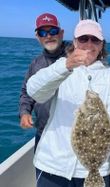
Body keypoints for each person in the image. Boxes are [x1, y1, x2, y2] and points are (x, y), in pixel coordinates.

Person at [26, 19, 110, 187]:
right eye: (83, 39)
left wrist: (102, 119)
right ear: (74, 42)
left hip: (95, 169)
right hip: (53, 165)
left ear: (101, 44)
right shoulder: (60, 67)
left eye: (94, 40)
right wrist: (66, 66)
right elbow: (34, 91)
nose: (89, 44)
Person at [19, 13, 70, 150]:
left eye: (53, 31)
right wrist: (25, 112)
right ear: (37, 37)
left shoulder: (76, 57)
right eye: (43, 32)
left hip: (71, 133)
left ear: (61, 33)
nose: (48, 36)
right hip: (44, 132)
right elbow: (26, 92)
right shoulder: (35, 64)